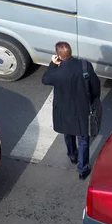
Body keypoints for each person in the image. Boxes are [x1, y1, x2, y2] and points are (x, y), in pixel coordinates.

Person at [42, 42, 100, 180]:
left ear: (58, 56)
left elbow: (45, 79)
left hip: (64, 109)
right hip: (82, 109)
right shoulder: (85, 65)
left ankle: (72, 155)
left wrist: (52, 64)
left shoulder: (57, 72)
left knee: (68, 133)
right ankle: (83, 169)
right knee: (83, 138)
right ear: (71, 52)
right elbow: (95, 86)